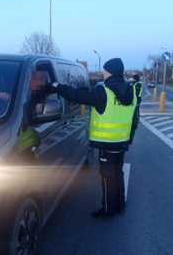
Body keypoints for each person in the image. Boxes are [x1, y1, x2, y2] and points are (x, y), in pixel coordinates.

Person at [49, 58, 137, 219]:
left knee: (107, 176)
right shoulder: (131, 93)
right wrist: (128, 139)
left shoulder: (104, 92)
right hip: (121, 142)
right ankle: (120, 205)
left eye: (105, 70)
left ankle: (108, 210)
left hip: (107, 142)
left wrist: (57, 87)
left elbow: (76, 95)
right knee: (118, 173)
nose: (103, 73)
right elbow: (135, 119)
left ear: (110, 72)